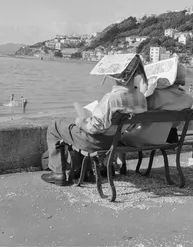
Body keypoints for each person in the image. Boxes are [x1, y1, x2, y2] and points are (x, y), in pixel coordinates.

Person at [41, 57, 148, 186]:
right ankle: (84, 171)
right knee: (76, 128)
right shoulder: (141, 97)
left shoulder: (112, 99)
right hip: (115, 141)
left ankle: (57, 172)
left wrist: (81, 122)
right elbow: (132, 125)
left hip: (96, 142)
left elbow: (93, 128)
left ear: (116, 75)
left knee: (55, 126)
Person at [121, 63, 193, 148]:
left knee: (118, 135)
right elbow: (175, 124)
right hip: (164, 139)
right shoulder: (189, 99)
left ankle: (120, 161)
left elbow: (138, 117)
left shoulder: (155, 94)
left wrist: (144, 91)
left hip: (140, 138)